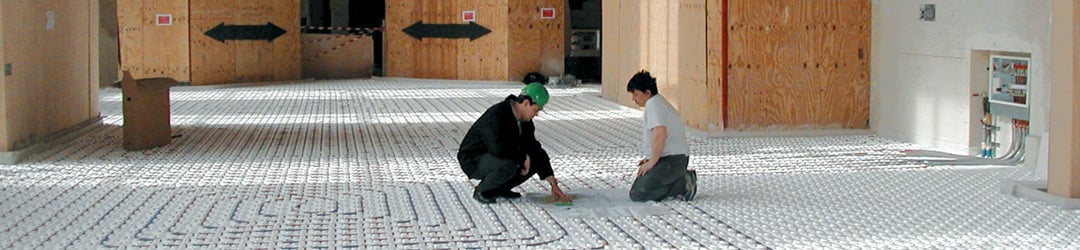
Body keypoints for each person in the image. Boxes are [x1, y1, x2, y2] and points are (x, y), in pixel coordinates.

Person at [457, 83, 571, 204]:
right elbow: (498, 148)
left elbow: (534, 148)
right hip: (474, 158)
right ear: (526, 103)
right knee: (510, 164)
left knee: (533, 159)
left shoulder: (525, 121)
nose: (536, 114)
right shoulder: (497, 115)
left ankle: (500, 189)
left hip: (496, 156)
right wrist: (522, 157)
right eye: (536, 109)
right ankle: (482, 191)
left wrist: (553, 183)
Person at [626, 70, 697, 202]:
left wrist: (652, 162)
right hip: (669, 159)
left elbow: (660, 135)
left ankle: (683, 183)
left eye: (636, 94)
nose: (633, 99)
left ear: (647, 93)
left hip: (673, 161)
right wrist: (649, 159)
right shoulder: (657, 103)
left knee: (638, 194)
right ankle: (678, 179)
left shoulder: (654, 104)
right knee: (642, 185)